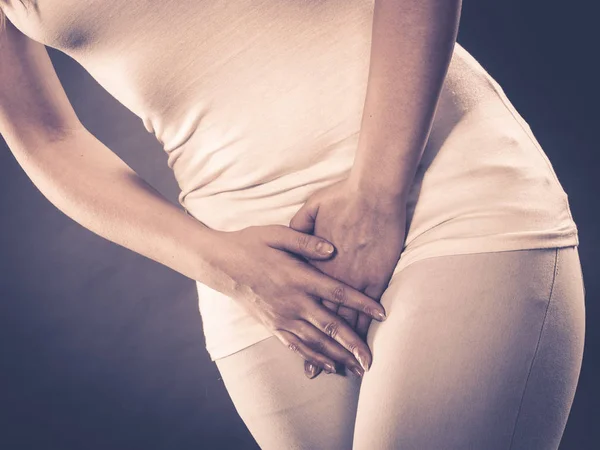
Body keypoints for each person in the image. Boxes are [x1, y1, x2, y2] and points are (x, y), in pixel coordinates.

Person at [0, 0, 585, 449]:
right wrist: (222, 264)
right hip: (258, 277)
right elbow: (45, 137)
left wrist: (377, 195)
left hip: (433, 185)